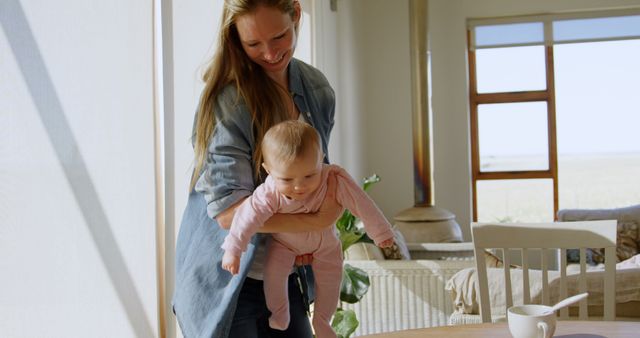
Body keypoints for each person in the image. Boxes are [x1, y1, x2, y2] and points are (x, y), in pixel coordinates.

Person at [172, 1, 345, 337]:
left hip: (281, 276)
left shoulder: (317, 89)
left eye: (279, 36)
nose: (269, 53)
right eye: (253, 44)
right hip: (226, 280)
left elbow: (315, 177)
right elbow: (228, 212)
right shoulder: (229, 101)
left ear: (295, 13)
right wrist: (315, 222)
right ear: (236, 39)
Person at [221, 120, 395, 338]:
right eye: (287, 179)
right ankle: (280, 313)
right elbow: (245, 219)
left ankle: (322, 320)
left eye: (310, 175)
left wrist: (381, 232)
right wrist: (233, 249)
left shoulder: (333, 179)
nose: (299, 186)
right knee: (274, 275)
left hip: (327, 245)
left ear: (320, 161)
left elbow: (361, 202)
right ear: (268, 170)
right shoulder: (269, 193)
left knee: (331, 282)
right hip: (284, 244)